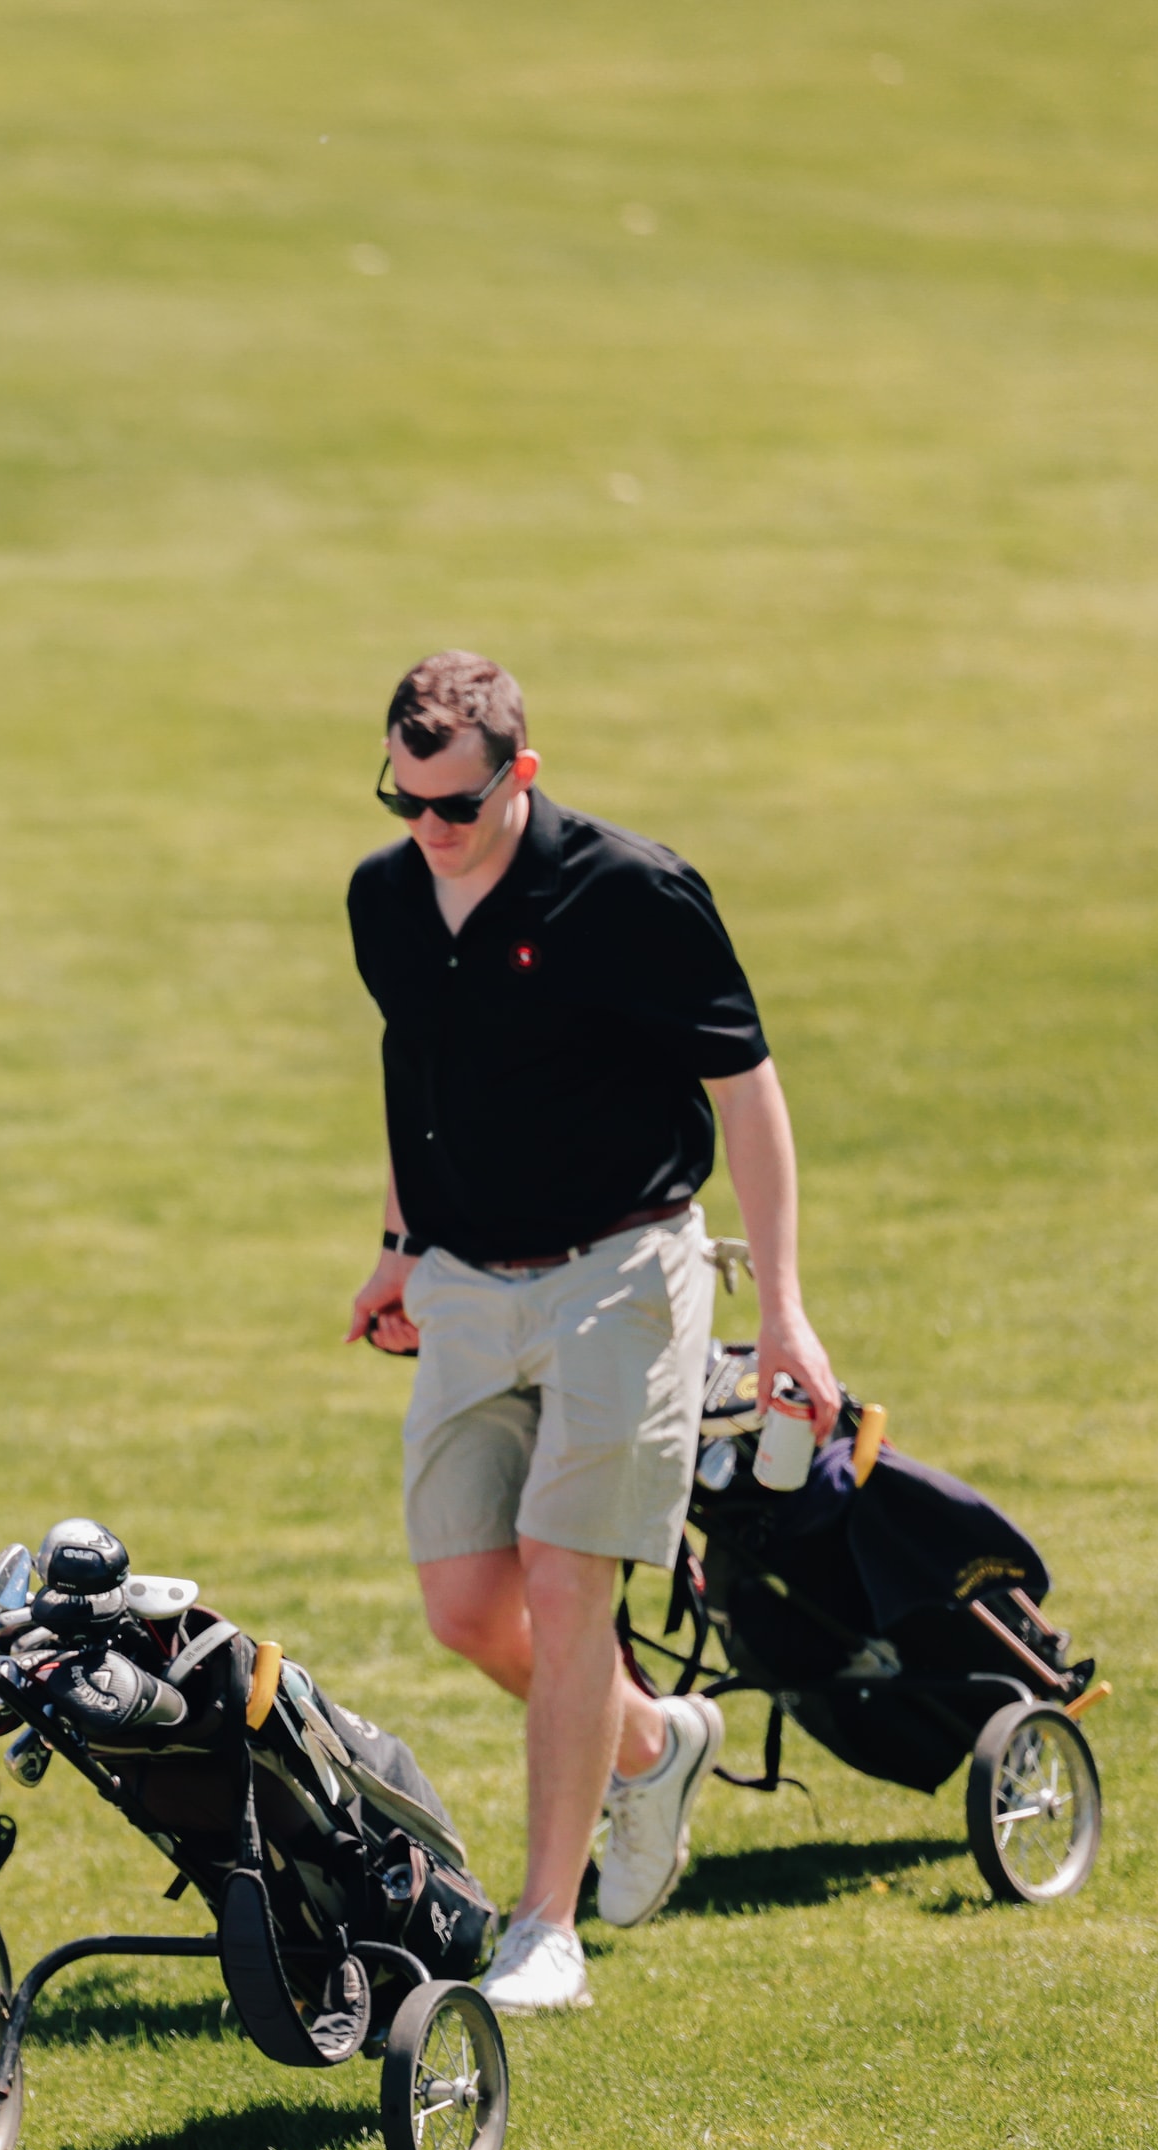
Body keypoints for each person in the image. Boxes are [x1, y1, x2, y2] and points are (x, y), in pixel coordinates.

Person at [341, 652, 842, 2017]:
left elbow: (747, 1092)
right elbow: (417, 1073)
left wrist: (785, 1306)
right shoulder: (385, 895)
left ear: (522, 771)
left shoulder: (633, 892)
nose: (429, 828)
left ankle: (541, 1928)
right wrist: (397, 1247)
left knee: (569, 1588)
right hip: (458, 1280)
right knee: (463, 1606)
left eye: (454, 803)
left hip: (623, 1271)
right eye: (406, 799)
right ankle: (650, 1744)